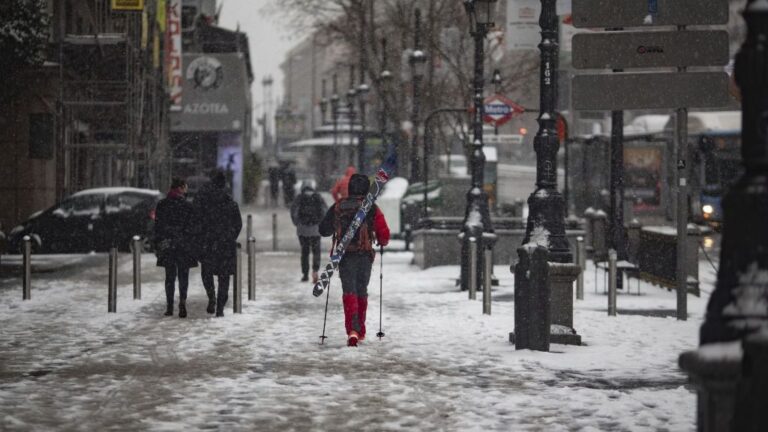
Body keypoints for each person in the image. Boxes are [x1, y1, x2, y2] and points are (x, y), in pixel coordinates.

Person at [319, 173, 390, 347]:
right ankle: (360, 330)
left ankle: (352, 329)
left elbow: (323, 229)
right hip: (365, 256)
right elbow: (384, 235)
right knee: (361, 291)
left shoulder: (338, 206)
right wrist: (381, 240)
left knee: (349, 291)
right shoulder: (372, 208)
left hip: (344, 256)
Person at [193, 170, 243, 317]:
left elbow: (197, 221)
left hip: (208, 243)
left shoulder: (204, 201)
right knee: (224, 276)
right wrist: (230, 236)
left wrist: (201, 238)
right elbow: (238, 224)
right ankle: (220, 306)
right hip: (225, 244)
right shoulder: (230, 202)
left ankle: (211, 296)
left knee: (207, 272)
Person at [154, 178, 198, 318]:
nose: (186, 190)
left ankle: (169, 307)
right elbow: (193, 227)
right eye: (185, 187)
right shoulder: (187, 206)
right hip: (183, 245)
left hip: (168, 245)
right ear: (180, 188)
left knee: (170, 277)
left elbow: (158, 226)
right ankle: (182, 304)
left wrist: (161, 242)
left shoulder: (162, 205)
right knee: (183, 276)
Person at [290, 182, 327, 283]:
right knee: (316, 251)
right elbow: (324, 211)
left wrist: (297, 223)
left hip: (303, 229)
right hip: (316, 229)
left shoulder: (299, 198)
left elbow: (294, 211)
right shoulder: (318, 197)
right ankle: (315, 270)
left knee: (304, 252)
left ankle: (305, 274)